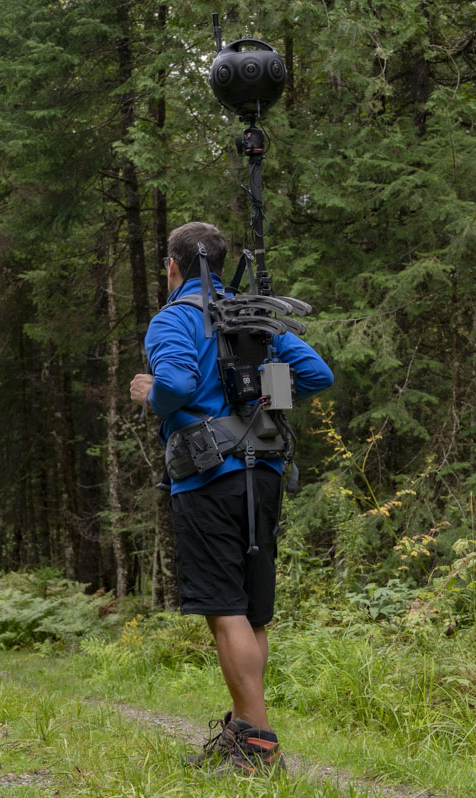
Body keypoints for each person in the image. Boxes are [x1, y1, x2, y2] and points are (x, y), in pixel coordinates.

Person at [129, 221, 333, 775]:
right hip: (263, 474)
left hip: (207, 477)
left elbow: (172, 382)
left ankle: (258, 746)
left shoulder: (174, 317)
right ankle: (247, 732)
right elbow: (315, 374)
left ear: (172, 267)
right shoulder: (253, 316)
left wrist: (151, 395)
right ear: (217, 267)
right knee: (250, 612)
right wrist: (261, 398)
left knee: (224, 610)